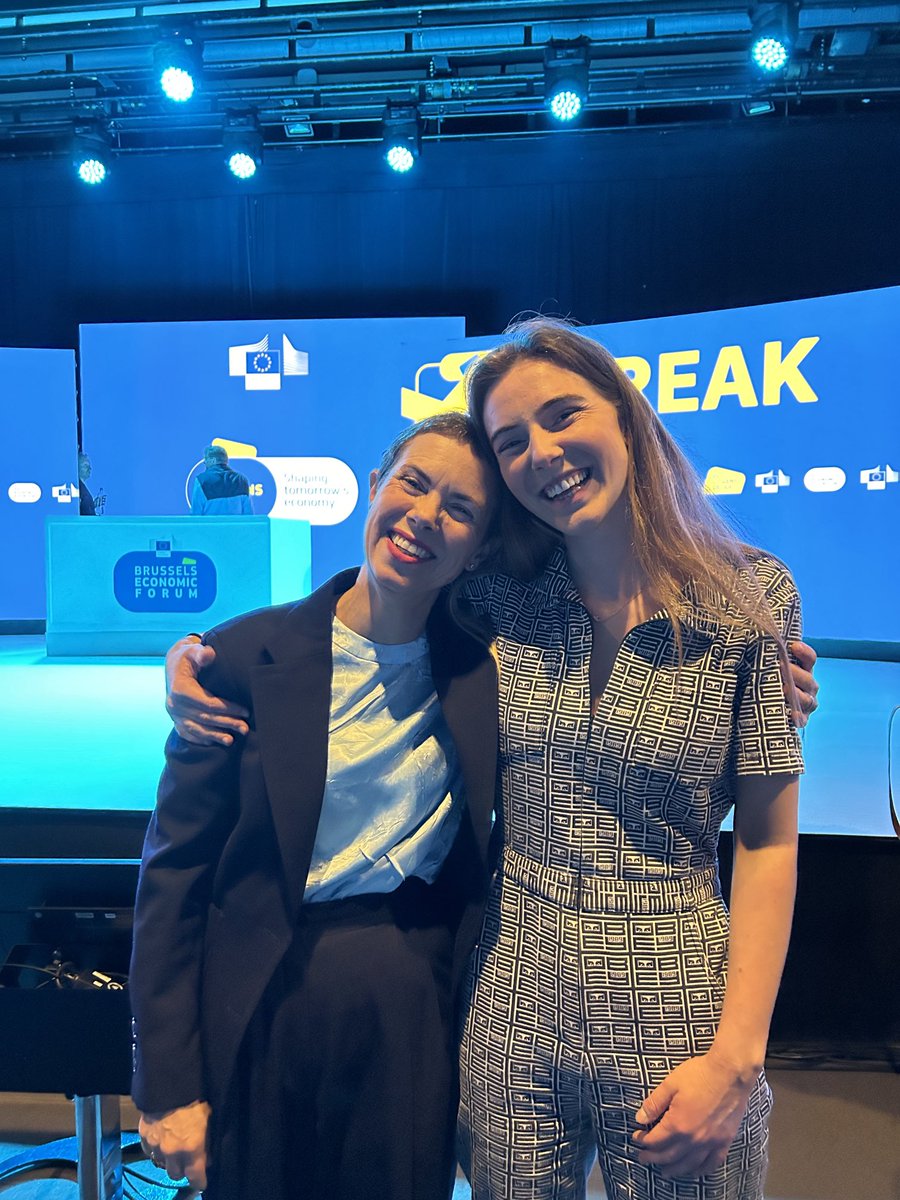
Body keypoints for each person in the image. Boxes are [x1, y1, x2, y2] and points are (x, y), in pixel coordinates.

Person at [164, 322, 820, 1200]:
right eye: (513, 441)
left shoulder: (753, 595)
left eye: (562, 416)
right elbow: (365, 607)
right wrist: (196, 659)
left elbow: (770, 842)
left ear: (625, 413)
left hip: (678, 1000)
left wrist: (738, 1059)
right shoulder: (495, 596)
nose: (541, 453)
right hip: (511, 994)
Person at [131, 412, 501, 1200]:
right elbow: (174, 879)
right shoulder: (236, 660)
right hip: (261, 995)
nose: (425, 517)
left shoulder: (487, 672)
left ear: (478, 548)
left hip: (406, 1002)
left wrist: (754, 662)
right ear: (374, 487)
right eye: (413, 482)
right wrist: (166, 1083)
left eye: (461, 510)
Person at [190, 444, 253, 515]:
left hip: (210, 526)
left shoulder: (201, 480)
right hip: (235, 526)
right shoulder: (242, 480)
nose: (204, 462)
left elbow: (196, 514)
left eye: (206, 459)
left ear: (213, 460)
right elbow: (248, 515)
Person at [78, 451, 96, 515]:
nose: (89, 469)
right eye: (85, 466)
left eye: (89, 466)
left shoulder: (82, 488)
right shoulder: (80, 490)